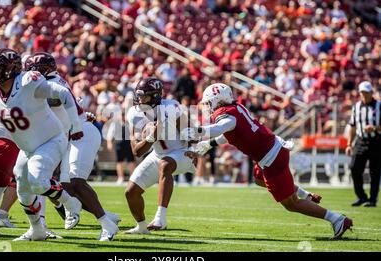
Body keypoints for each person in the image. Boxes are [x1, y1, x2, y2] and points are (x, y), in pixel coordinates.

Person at [183, 83, 353, 239]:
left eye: (209, 102)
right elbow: (227, 132)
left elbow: (221, 128)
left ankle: (337, 219)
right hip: (270, 152)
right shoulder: (234, 108)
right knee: (258, 179)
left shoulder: (227, 115)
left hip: (271, 157)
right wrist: (208, 144)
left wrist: (196, 132)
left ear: (218, 101)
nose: (207, 106)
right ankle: (304, 193)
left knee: (291, 204)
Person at [0, 48, 82, 241]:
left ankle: (70, 203)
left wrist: (76, 125)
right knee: (23, 192)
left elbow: (63, 93)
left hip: (50, 139)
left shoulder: (28, 82)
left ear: (12, 68)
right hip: (27, 147)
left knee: (38, 180)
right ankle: (37, 230)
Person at [24, 52, 119, 240]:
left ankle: (106, 224)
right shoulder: (49, 81)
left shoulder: (53, 83)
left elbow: (56, 99)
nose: (29, 74)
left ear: (42, 70)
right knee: (61, 187)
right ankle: (105, 216)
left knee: (76, 183)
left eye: (33, 70)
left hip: (80, 132)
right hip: (69, 134)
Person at [125, 77, 196, 234]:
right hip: (157, 154)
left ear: (156, 96)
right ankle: (142, 227)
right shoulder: (133, 114)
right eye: (139, 95)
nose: (140, 99)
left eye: (144, 96)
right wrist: (151, 137)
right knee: (131, 192)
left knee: (165, 164)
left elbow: (192, 132)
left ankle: (160, 218)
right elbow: (137, 152)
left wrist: (194, 148)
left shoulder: (171, 107)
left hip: (181, 152)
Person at [346, 81, 381, 207]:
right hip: (360, 141)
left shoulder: (379, 105)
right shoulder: (356, 107)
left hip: (376, 141)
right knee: (354, 167)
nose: (364, 95)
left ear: (371, 92)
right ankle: (361, 196)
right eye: (362, 92)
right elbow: (353, 126)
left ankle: (372, 199)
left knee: (374, 172)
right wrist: (349, 144)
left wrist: (376, 128)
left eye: (366, 92)